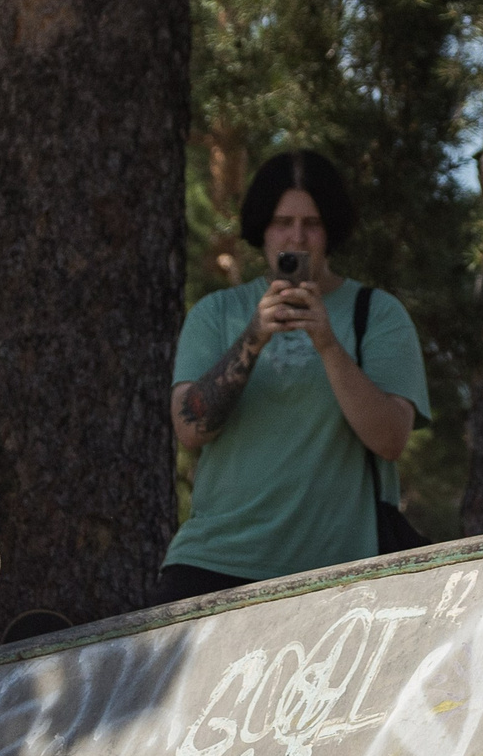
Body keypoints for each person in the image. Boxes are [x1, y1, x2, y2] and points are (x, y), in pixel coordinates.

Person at [158, 151, 430, 605]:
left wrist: (327, 343)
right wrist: (253, 336)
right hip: (214, 562)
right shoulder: (216, 313)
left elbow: (390, 439)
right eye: (283, 222)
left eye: (313, 224)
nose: (297, 237)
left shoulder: (377, 314)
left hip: (339, 572)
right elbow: (190, 428)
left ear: (331, 231)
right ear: (262, 228)